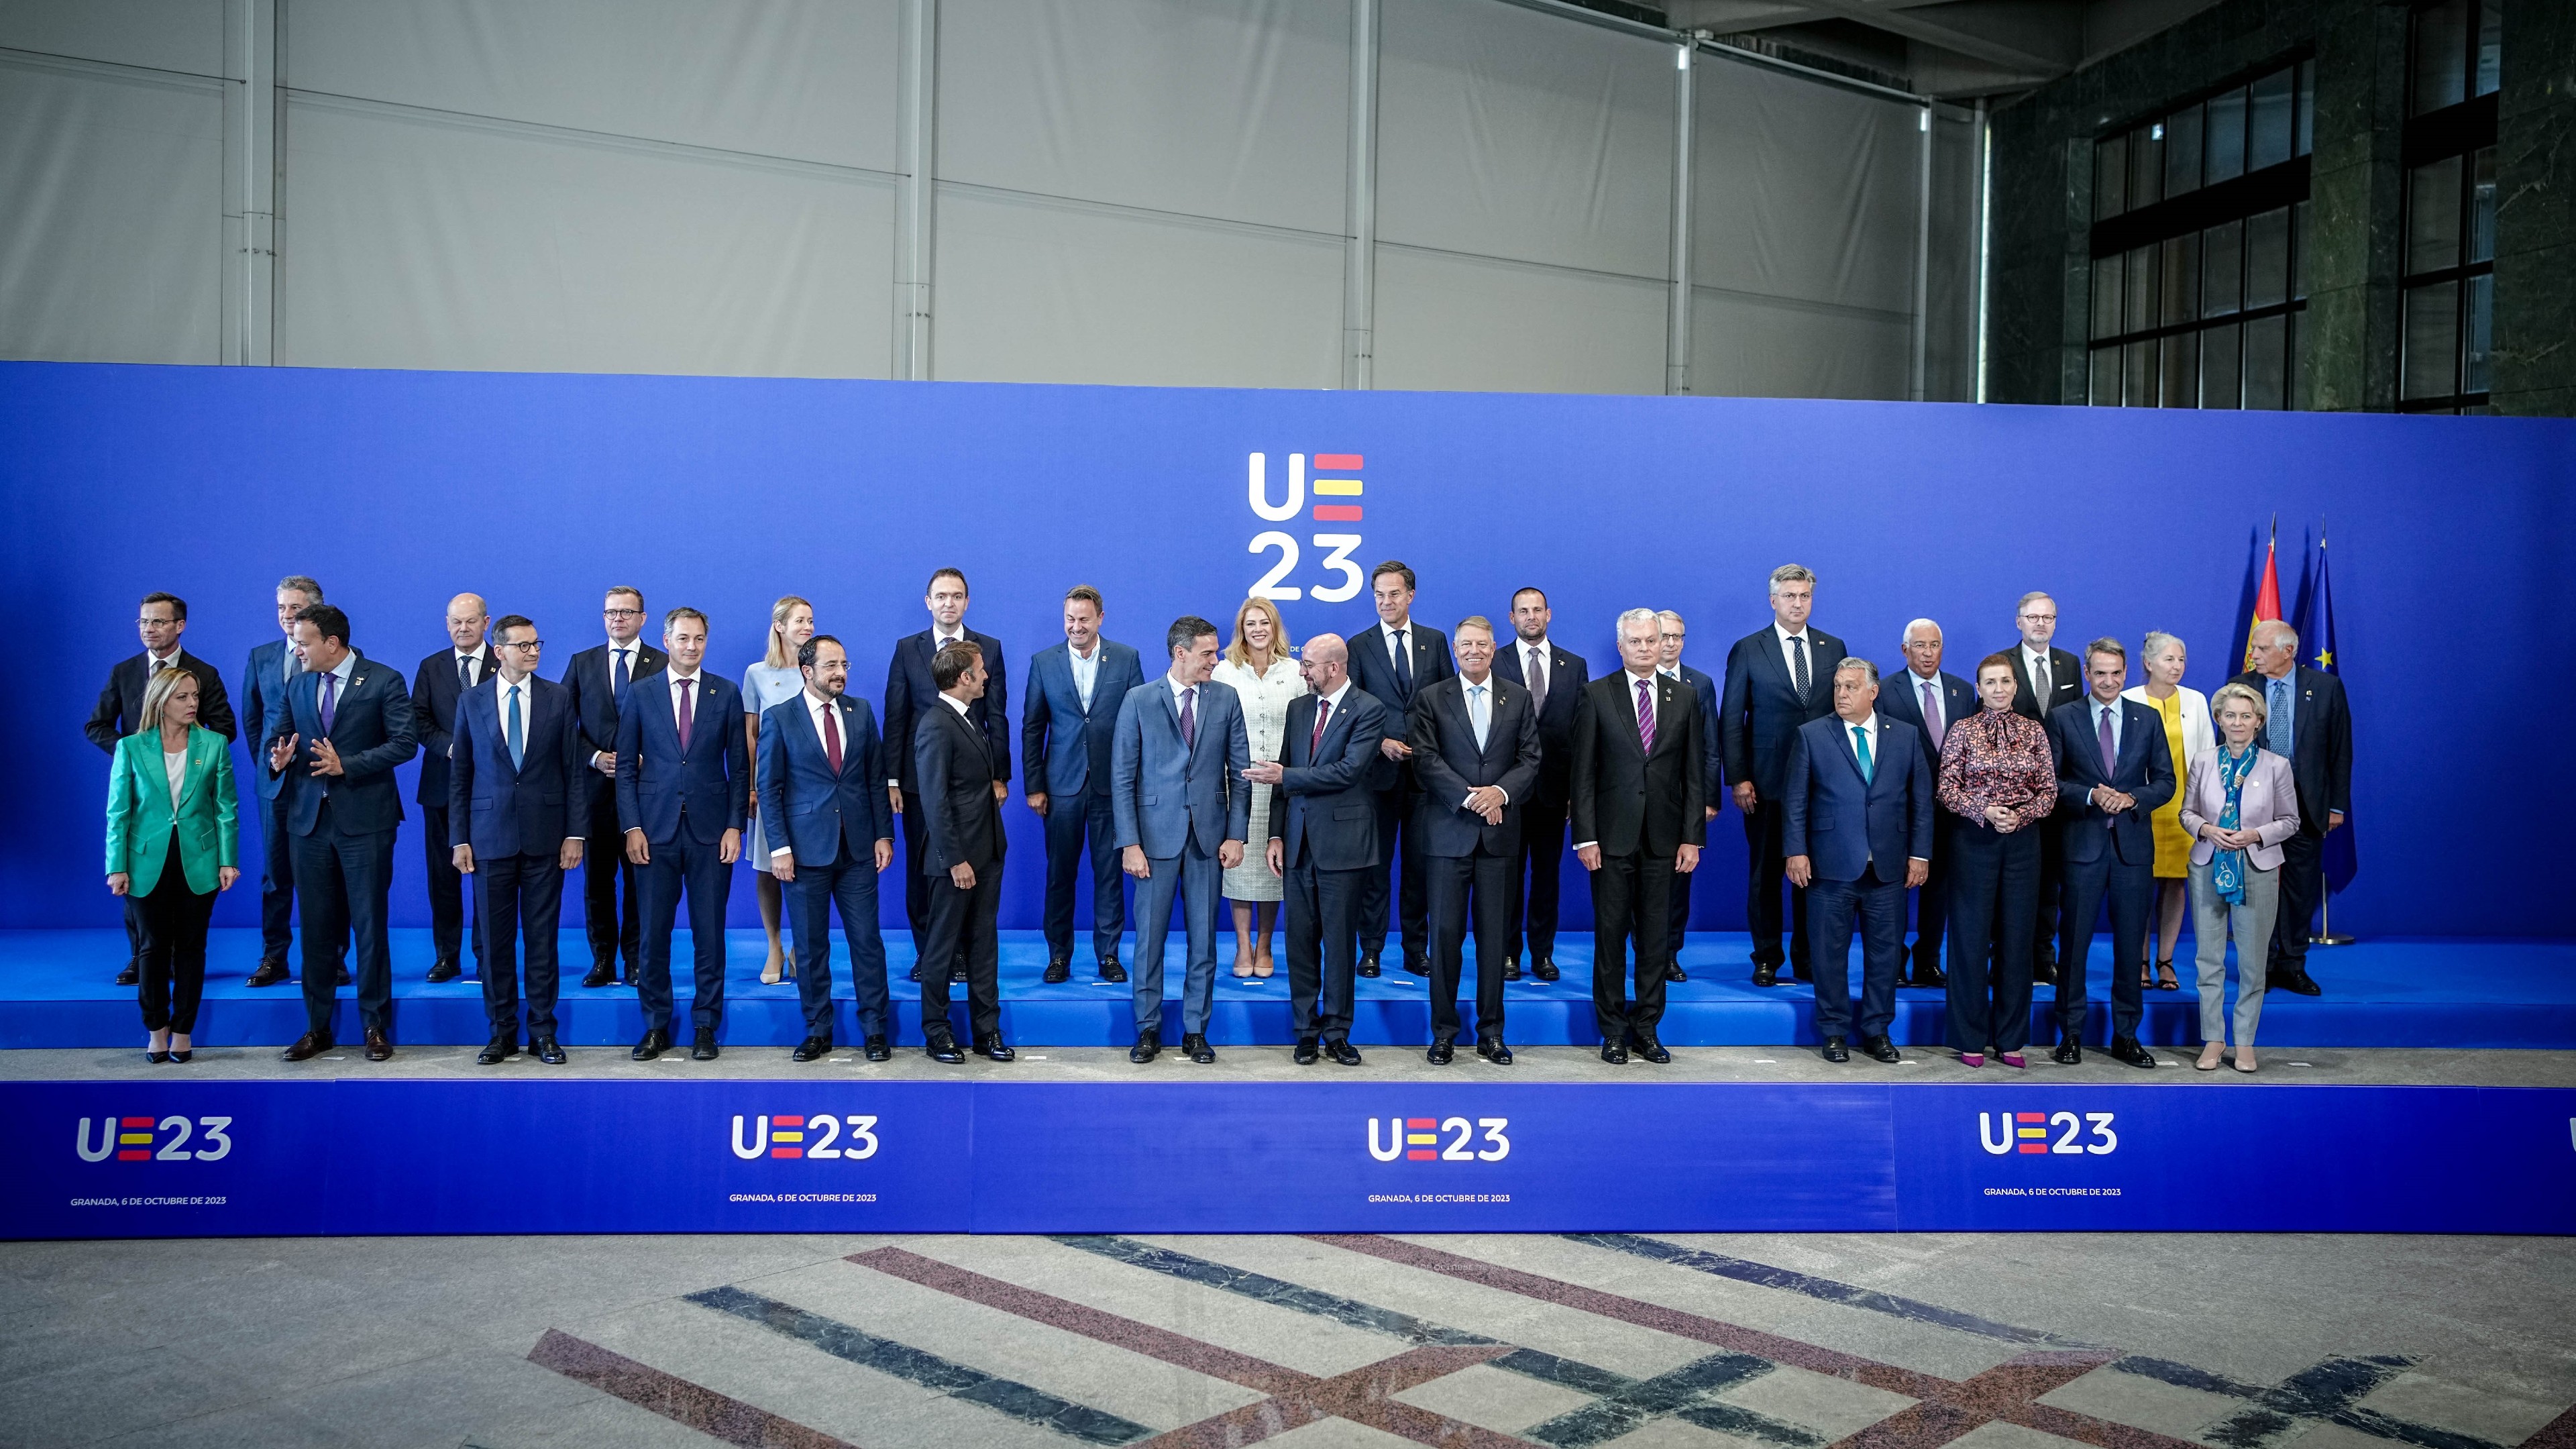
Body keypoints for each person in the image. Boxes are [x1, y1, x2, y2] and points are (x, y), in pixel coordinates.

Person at [264, 603, 417, 1063]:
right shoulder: (297, 684)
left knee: (369, 925)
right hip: (308, 823)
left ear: (332, 643)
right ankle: (317, 1028)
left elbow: (404, 743)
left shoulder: (384, 680)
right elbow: (279, 737)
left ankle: (374, 1026)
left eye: (304, 642)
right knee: (315, 928)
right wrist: (278, 759)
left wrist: (346, 764)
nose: (297, 649)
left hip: (366, 823)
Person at [1111, 616, 1252, 1065]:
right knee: (1149, 941)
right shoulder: (1138, 700)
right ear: (1180, 653)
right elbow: (1122, 778)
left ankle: (1195, 1030)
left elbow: (1241, 774)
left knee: (1204, 940)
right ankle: (1147, 1028)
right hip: (1153, 842)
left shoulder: (1226, 698)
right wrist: (1130, 843)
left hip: (1208, 841)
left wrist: (1236, 834)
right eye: (1208, 653)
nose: (1216, 660)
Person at [1571, 608, 1707, 1065]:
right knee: (1610, 939)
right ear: (1621, 646)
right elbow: (1582, 774)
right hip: (1610, 840)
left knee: (1654, 941)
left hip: (1665, 841)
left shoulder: (1684, 696)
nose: (1646, 648)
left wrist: (1692, 838)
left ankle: (1647, 1028)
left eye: (1652, 640)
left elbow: (1693, 774)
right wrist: (1585, 837)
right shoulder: (1595, 694)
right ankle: (1612, 1031)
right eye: (1636, 641)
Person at [448, 615, 584, 1065]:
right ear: (499, 651)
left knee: (542, 942)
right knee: (494, 944)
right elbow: (460, 775)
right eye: (523, 645)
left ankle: (543, 1032)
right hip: (489, 839)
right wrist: (459, 838)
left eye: (536, 644)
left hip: (547, 839)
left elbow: (573, 772)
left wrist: (574, 833)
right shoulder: (472, 701)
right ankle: (501, 1033)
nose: (532, 652)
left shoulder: (558, 697)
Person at [1784, 659, 1932, 1065]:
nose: (1842, 694)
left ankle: (1877, 1031)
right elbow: (1795, 800)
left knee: (1886, 954)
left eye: (1851, 686)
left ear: (1873, 692)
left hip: (1888, 868)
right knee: (1828, 954)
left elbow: (1921, 802)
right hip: (1829, 866)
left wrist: (1920, 854)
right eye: (1837, 686)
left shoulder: (1905, 736)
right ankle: (1833, 1031)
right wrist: (1795, 850)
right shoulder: (1812, 735)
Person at [1407, 616, 1540, 1065]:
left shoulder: (1517, 697)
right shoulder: (1432, 697)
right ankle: (1444, 1033)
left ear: (1494, 648)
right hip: (1449, 836)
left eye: (1482, 644)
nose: (1474, 651)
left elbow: (1530, 757)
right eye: (1466, 644)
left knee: (1495, 940)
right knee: (1445, 937)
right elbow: (1425, 759)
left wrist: (1499, 793)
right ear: (1455, 648)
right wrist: (1472, 799)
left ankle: (1492, 1033)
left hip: (1499, 838)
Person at [616, 607, 747, 1063]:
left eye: (699, 639)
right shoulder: (641, 693)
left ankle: (705, 1025)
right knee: (653, 935)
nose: (692, 647)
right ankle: (656, 1026)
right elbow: (625, 770)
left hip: (712, 833)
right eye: (684, 639)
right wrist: (632, 826)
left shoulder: (725, 692)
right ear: (666, 641)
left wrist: (735, 825)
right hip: (654, 832)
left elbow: (740, 768)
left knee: (709, 935)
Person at [1250, 633, 1386, 1067]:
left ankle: (1338, 1033)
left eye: (1308, 664)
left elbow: (1347, 771)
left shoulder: (1369, 709)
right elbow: (1283, 778)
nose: (1302, 671)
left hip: (1343, 848)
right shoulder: (1299, 708)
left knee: (1340, 946)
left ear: (1334, 667)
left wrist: (1286, 777)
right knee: (1300, 944)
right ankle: (1306, 1032)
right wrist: (1275, 835)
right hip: (1297, 846)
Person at [89, 592, 237, 987]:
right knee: (141, 867)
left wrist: (191, 751)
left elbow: (225, 727)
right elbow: (96, 725)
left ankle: (176, 960)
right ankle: (141, 956)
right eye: (143, 622)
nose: (148, 629)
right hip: (143, 791)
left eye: (157, 621)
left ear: (179, 626)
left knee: (188, 886)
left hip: (191, 789)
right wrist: (135, 754)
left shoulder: (204, 673)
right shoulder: (125, 671)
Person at [761, 635, 897, 1063]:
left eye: (844, 665)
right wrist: (779, 848)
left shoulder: (861, 712)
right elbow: (769, 789)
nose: (840, 673)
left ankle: (875, 1029)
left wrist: (884, 834)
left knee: (867, 943)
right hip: (803, 853)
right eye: (831, 666)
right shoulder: (779, 717)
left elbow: (875, 779)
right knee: (810, 945)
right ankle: (818, 1030)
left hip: (857, 849)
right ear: (807, 671)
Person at [2046, 638, 2174, 1069]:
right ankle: (2071, 1034)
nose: (2108, 681)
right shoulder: (2063, 717)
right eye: (2100, 673)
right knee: (2074, 945)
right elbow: (2051, 782)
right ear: (2087, 674)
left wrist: (2133, 798)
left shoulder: (2147, 718)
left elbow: (2165, 781)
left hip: (2132, 850)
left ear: (2126, 673)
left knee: (2131, 946)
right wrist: (2090, 795)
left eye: (2116, 673)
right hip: (2081, 847)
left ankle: (2127, 1036)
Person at [104, 665, 239, 1063]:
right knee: (152, 948)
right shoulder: (131, 747)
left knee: (193, 948)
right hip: (145, 862)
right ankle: (156, 1028)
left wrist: (228, 860)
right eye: (183, 697)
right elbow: (118, 813)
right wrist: (116, 866)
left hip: (200, 861)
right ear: (161, 702)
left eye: (195, 696)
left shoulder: (214, 744)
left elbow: (226, 808)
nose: (193, 703)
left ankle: (183, 1030)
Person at [884, 569, 1011, 985]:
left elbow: (996, 716)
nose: (948, 603)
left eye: (956, 596)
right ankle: (930, 953)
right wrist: (891, 779)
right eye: (941, 596)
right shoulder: (907, 649)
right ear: (928, 602)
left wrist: (1000, 776)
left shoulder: (989, 648)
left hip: (975, 784)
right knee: (925, 869)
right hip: (919, 783)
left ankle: (964, 953)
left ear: (967, 602)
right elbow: (896, 716)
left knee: (974, 867)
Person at [1719, 565, 1843, 987]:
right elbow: (1731, 718)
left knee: (1816, 876)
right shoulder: (1748, 648)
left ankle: (1808, 958)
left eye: (1804, 596)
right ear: (1773, 600)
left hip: (1823, 784)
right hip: (1766, 783)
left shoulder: (1833, 647)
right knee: (1766, 876)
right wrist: (1738, 777)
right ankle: (1767, 958)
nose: (1797, 603)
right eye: (1789, 596)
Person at [1936, 653, 2055, 1069]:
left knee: (2017, 940)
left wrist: (2021, 815)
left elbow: (2049, 791)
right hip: (1974, 841)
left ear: (2016, 686)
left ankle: (2011, 1038)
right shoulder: (1962, 730)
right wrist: (1985, 810)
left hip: (2023, 842)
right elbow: (1946, 788)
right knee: (1969, 940)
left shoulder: (2034, 731)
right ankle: (1969, 1037)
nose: (1999, 689)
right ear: (1979, 688)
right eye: (1990, 682)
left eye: (2005, 681)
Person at [1023, 586, 1144, 984]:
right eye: (1070, 619)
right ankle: (1059, 956)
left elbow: (1140, 724)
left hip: (1113, 787)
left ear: (1100, 619)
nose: (1076, 627)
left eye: (1084, 620)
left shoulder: (1126, 658)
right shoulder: (1044, 662)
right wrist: (1034, 786)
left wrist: (1137, 785)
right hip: (1061, 787)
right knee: (1060, 875)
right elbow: (1033, 727)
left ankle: (1109, 955)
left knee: (1109, 875)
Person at [2182, 683, 2302, 1073]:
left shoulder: (2277, 765)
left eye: (2246, 716)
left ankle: (2245, 1041)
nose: (2237, 722)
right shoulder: (2202, 761)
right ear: (2218, 719)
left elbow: (2290, 821)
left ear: (2259, 722)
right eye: (2230, 715)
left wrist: (2256, 835)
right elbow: (2187, 813)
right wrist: (2205, 829)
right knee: (2208, 959)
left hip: (2257, 867)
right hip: (2207, 865)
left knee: (2252, 962)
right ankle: (2214, 1039)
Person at [2228, 621, 2351, 998]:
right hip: (2255, 804)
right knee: (2257, 888)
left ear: (2288, 651)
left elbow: (2340, 750)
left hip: (2307, 804)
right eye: (2254, 648)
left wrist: (2335, 806)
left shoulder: (2326, 687)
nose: (2254, 655)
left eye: (2262, 649)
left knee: (2300, 888)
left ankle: (2293, 965)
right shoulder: (2241, 686)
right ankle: (2261, 967)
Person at [1343, 560, 1452, 977]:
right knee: (1374, 867)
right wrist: (1380, 743)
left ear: (1410, 595)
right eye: (1379, 595)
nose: (1386, 602)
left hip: (1426, 777)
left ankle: (1416, 949)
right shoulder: (1359, 645)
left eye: (1393, 594)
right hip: (1377, 776)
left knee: (1419, 867)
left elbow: (1449, 704)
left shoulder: (1434, 641)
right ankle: (1371, 949)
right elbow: (1349, 711)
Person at [561, 586, 666, 988]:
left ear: (643, 618)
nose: (618, 619)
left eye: (626, 612)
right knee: (598, 882)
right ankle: (602, 958)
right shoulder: (582, 662)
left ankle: (636, 959)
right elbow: (560, 724)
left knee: (641, 880)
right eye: (611, 613)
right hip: (595, 792)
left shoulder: (662, 662)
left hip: (645, 792)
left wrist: (645, 756)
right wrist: (594, 756)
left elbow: (676, 725)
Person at [914, 639, 1012, 1064]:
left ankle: (986, 1032)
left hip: (987, 853)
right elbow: (934, 801)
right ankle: (937, 1033)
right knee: (941, 948)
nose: (987, 675)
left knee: (984, 945)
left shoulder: (969, 718)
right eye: (981, 669)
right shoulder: (936, 723)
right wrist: (955, 859)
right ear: (964, 677)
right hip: (955, 861)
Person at [1491, 586, 1587, 982]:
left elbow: (1581, 734)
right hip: (1507, 792)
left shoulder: (1574, 665)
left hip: (1553, 792)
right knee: (1508, 879)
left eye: (1537, 610)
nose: (1531, 617)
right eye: (1523, 611)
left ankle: (1543, 954)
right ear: (1511, 618)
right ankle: (1508, 954)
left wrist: (1576, 794)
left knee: (1547, 878)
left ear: (1549, 615)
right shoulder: (1494, 660)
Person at [1874, 619, 1974, 988]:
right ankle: (1895, 961)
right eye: (1920, 646)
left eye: (1934, 645)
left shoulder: (1963, 691)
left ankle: (1928, 961)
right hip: (1901, 809)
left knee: (1940, 889)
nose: (1928, 653)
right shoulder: (1885, 691)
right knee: (1895, 888)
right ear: (1905, 650)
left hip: (1951, 812)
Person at [1213, 596, 1304, 979]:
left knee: (1272, 870)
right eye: (1251, 623)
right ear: (1241, 629)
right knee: (1240, 868)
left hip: (1282, 785)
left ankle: (1265, 945)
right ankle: (1242, 945)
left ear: (1275, 627)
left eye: (1264, 622)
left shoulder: (1295, 671)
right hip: (1238, 783)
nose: (1258, 630)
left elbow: (1307, 724)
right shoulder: (1225, 671)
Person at [241, 576, 325, 989]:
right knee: (275, 874)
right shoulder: (262, 657)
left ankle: (330, 958)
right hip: (275, 784)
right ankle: (274, 956)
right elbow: (252, 720)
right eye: (281, 608)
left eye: (296, 607)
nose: (287, 616)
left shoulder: (337, 654)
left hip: (321, 780)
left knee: (324, 876)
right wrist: (272, 766)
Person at [409, 592, 492, 984]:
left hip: (492, 789)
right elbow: (418, 720)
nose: (463, 628)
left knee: (489, 878)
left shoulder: (504, 662)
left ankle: (487, 955)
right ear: (447, 624)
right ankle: (446, 956)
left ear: (486, 623)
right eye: (456, 622)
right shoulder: (431, 666)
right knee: (443, 877)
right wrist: (452, 747)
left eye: (471, 621)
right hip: (441, 785)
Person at [2123, 631, 2212, 991]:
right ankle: (2141, 960)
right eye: (2169, 659)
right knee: (2140, 885)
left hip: (2183, 809)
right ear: (2148, 663)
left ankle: (2166, 960)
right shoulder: (2128, 699)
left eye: (2181, 660)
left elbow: (2207, 756)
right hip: (2141, 806)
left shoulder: (2196, 700)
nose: (2177, 667)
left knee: (2176, 883)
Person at [2003, 592, 2082, 984]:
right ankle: (2007, 958)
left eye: (2047, 617)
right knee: (2012, 886)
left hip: (2060, 794)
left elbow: (2077, 722)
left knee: (2050, 883)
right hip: (2015, 796)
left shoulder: (2070, 663)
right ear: (2018, 621)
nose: (2040, 624)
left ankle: (2042, 957)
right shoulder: (2002, 664)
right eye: (2033, 617)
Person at [742, 596, 816, 985]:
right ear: (779, 626)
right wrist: (752, 787)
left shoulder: (817, 669)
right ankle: (774, 944)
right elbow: (751, 736)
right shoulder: (756, 673)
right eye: (800, 620)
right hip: (771, 787)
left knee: (812, 867)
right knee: (769, 868)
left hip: (813, 788)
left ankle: (802, 948)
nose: (807, 627)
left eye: (811, 620)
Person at [1654, 610, 1723, 983]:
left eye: (1677, 637)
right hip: (1640, 799)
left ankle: (1669, 954)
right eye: (1664, 636)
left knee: (1679, 881)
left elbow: (1711, 747)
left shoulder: (1701, 684)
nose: (1670, 643)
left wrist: (1709, 800)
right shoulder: (1631, 681)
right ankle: (1645, 950)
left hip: (1685, 801)